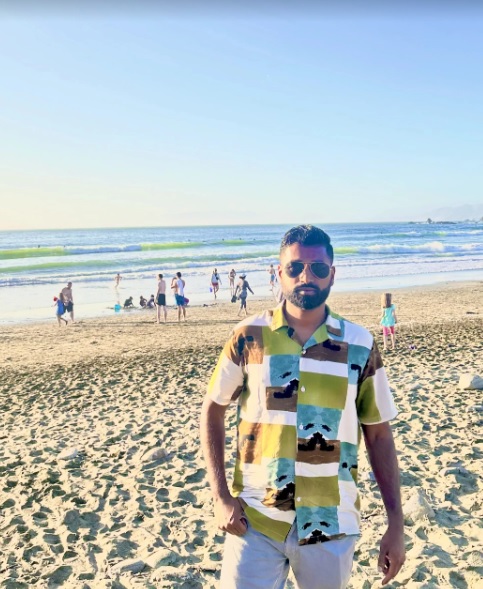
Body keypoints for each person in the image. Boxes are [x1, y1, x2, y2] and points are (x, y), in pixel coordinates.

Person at [200, 224, 405, 589]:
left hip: (332, 522)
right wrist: (220, 497)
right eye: (295, 267)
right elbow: (212, 409)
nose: (306, 276)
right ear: (279, 273)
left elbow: (379, 435)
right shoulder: (249, 336)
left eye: (317, 268)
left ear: (332, 274)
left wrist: (396, 523)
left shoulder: (359, 344)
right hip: (255, 519)